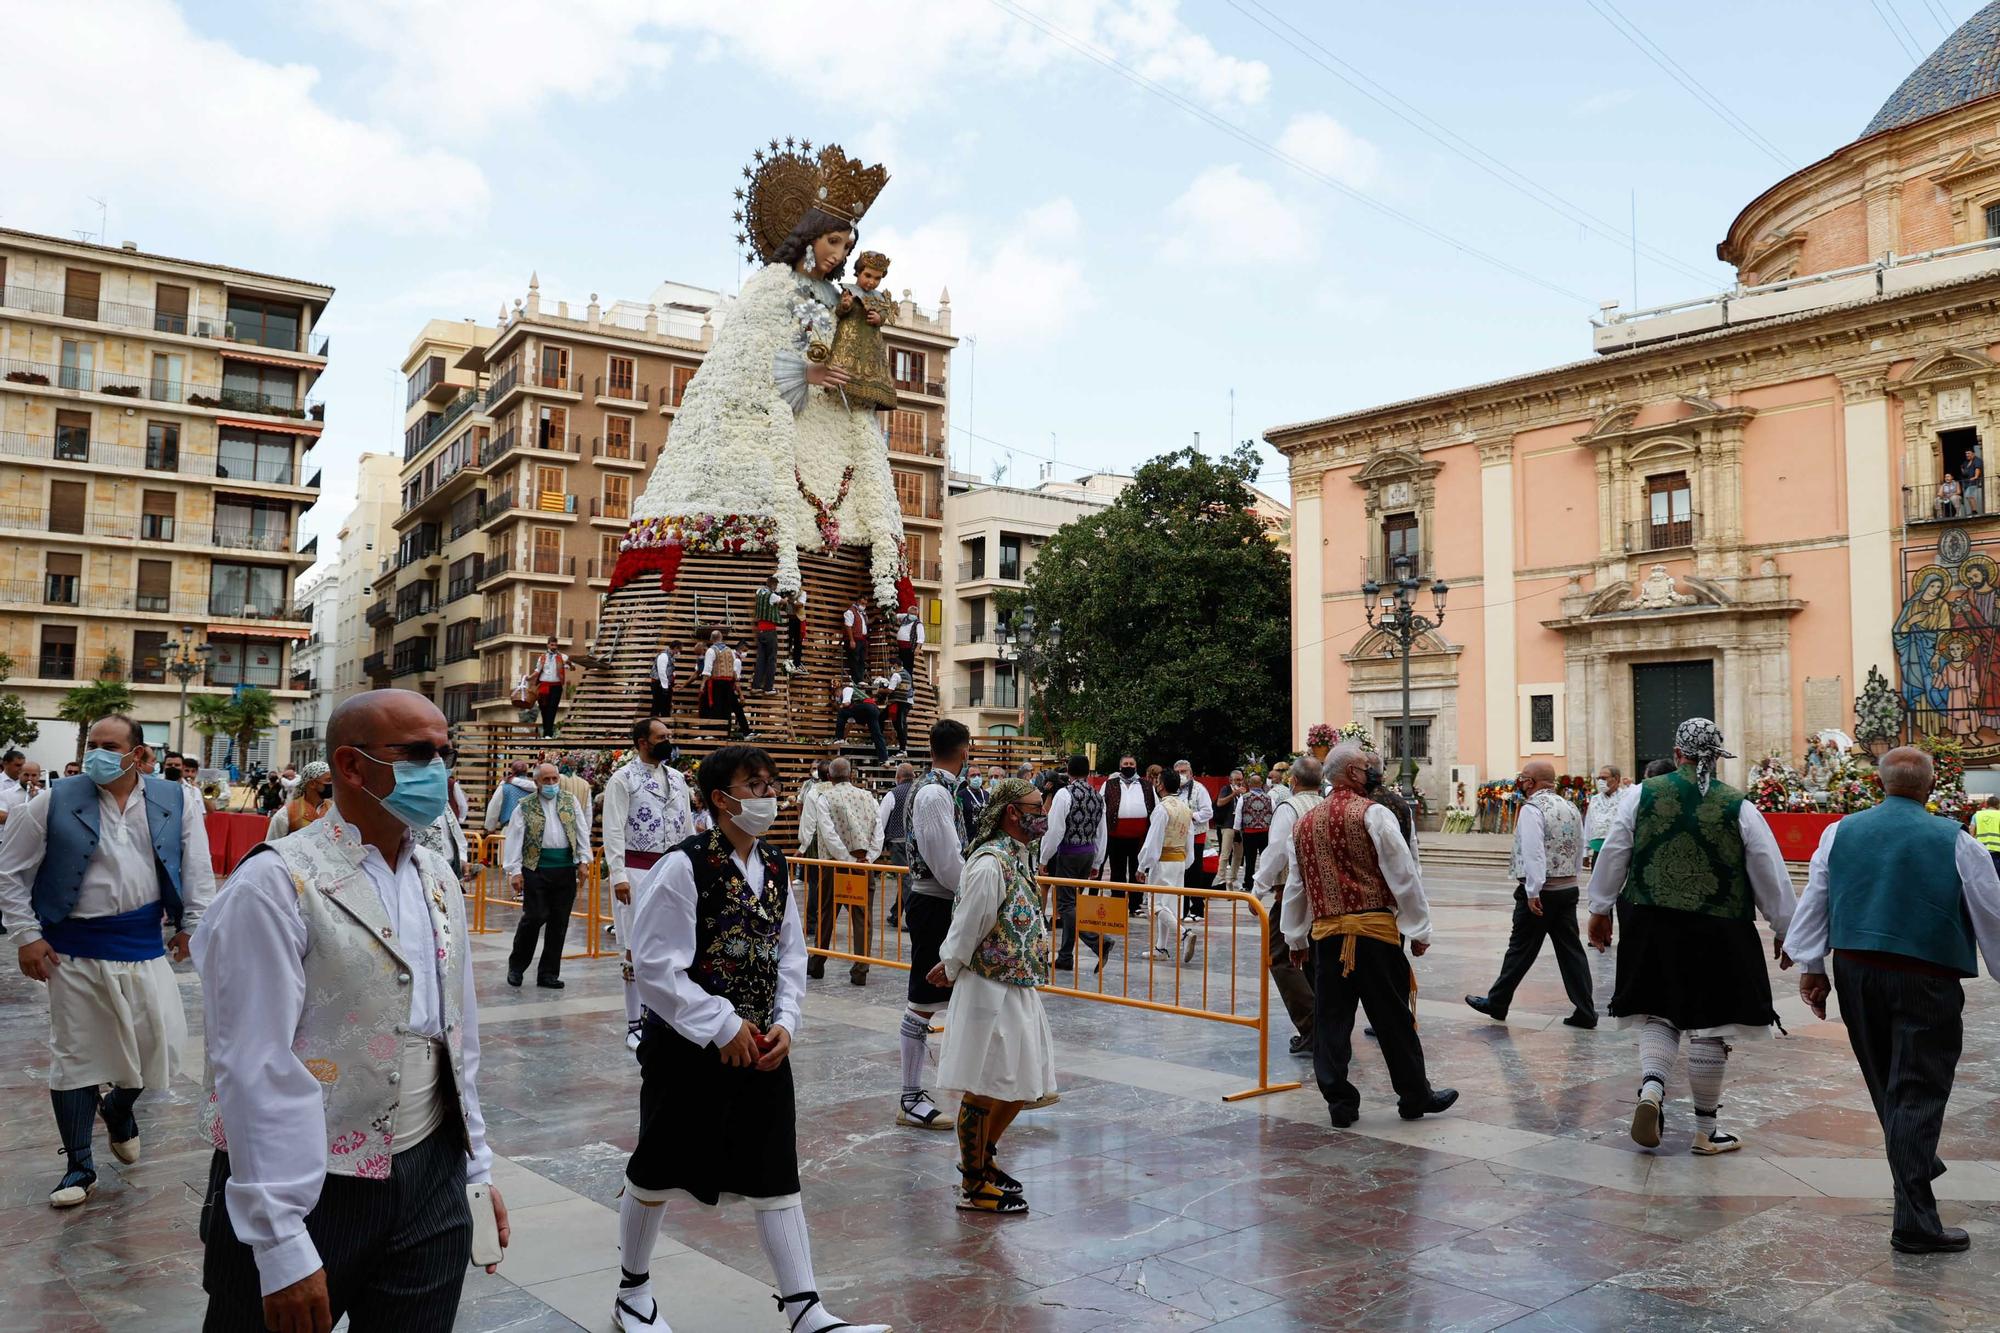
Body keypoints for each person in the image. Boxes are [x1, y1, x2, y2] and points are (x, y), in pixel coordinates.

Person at [193, 689, 507, 1331]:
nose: (439, 769)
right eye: (417, 753)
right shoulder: (276, 883)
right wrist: (278, 1237)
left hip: (430, 1169)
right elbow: (252, 1067)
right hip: (311, 1177)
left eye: (446, 752)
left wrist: (475, 1164)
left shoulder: (436, 876)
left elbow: (456, 1030)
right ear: (352, 766)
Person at [611, 744, 889, 1333]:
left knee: (775, 1173)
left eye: (770, 784)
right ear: (721, 799)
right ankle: (632, 1293)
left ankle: (804, 1308)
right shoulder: (684, 866)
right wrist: (721, 1025)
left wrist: (786, 1021)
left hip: (761, 1051)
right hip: (686, 1051)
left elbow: (791, 951)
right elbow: (656, 964)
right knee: (657, 1168)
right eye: (753, 785)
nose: (767, 796)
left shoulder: (777, 867)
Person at [1790, 746, 2000, 1255]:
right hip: (1924, 976)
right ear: (1929, 788)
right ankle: (1915, 1221)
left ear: (1879, 784)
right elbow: (1990, 911)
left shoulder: (1840, 832)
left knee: (1888, 1083)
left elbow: (1816, 897)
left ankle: (1916, 1160)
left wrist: (1813, 968)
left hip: (1857, 973)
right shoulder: (1956, 840)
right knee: (1916, 1091)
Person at [0, 713, 215, 1208]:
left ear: (138, 754)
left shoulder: (176, 799)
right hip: (71, 948)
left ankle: (119, 1107)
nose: (98, 751)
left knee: (156, 1045)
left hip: (142, 943)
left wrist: (191, 925)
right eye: (92, 743)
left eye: (109, 744)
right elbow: (10, 871)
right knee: (76, 1054)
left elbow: (197, 866)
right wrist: (26, 937)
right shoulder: (52, 800)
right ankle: (79, 1165)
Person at [1586, 718, 1795, 1156]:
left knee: (1659, 1014)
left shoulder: (1640, 795)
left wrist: (1600, 909)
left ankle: (1652, 1089)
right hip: (1718, 927)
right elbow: (1767, 870)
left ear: (1677, 754)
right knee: (1711, 1025)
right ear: (1717, 759)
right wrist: (1784, 927)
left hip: (1650, 922)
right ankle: (1706, 1130)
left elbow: (1615, 852)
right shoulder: (1738, 805)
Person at [1284, 744, 1454, 1127]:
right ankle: (1414, 1096)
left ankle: (1340, 1103)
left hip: (1326, 937)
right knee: (1393, 1017)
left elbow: (1298, 885)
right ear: (1354, 774)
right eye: (1365, 767)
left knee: (1331, 1021)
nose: (1371, 772)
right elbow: (1402, 873)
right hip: (1374, 935)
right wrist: (1418, 927)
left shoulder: (1305, 822)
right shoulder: (1373, 813)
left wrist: (1295, 938)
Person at [928, 778, 1057, 1215]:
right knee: (984, 1086)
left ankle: (986, 1158)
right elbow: (969, 924)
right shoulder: (989, 864)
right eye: (1036, 807)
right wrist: (950, 965)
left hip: (1017, 984)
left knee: (1021, 1083)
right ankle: (973, 1181)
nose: (1043, 813)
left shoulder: (1018, 857)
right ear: (1010, 812)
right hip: (987, 988)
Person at [1465, 759, 1598, 1028]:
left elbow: (1533, 850)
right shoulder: (1569, 806)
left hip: (1543, 891)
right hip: (1567, 888)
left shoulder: (1532, 808)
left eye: (1523, 778)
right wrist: (1574, 877)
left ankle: (1497, 1002)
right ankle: (1585, 1010)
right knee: (1571, 951)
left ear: (1531, 782)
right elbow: (1579, 843)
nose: (1520, 782)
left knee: (1520, 948)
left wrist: (1533, 889)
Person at [898, 719, 973, 1131]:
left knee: (967, 993)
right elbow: (946, 862)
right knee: (924, 998)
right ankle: (910, 1097)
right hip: (936, 901)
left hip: (943, 899)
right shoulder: (932, 794)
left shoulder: (945, 790)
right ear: (964, 751)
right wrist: (975, 892)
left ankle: (979, 1086)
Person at [604, 719, 694, 1051]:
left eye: (669, 736)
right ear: (643, 742)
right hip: (636, 868)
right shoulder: (623, 779)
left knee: (671, 942)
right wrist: (618, 875)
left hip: (671, 868)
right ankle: (634, 1021)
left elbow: (687, 826)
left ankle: (662, 1013)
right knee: (633, 947)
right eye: (662, 737)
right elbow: (613, 829)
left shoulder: (678, 778)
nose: (668, 741)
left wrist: (691, 866)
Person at [1254, 759, 1325, 1057]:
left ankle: (1313, 1025)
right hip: (1324, 897)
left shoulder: (1289, 808)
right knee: (1313, 961)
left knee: (1281, 958)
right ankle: (1324, 1024)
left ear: (1293, 780)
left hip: (1293, 896)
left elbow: (1276, 853)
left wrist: (1258, 888)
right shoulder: (1327, 805)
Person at [502, 761, 591, 989]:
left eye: (555, 779)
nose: (551, 784)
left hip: (564, 869)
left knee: (559, 922)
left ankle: (548, 973)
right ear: (536, 782)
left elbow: (581, 830)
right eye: (546, 780)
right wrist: (514, 870)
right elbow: (514, 839)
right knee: (534, 917)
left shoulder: (570, 802)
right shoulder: (524, 806)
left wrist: (583, 861)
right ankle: (517, 966)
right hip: (536, 869)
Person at [802, 758, 881, 985]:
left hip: (833, 865)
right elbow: (879, 829)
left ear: (829, 777)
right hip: (863, 863)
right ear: (851, 775)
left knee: (826, 913)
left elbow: (828, 833)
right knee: (862, 917)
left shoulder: (825, 797)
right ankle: (860, 970)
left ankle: (817, 963)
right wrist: (869, 858)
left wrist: (845, 858)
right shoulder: (868, 797)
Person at [1042, 754, 1113, 973]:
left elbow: (1055, 829)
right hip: (1088, 853)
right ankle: (1065, 956)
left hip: (1069, 853)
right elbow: (1102, 831)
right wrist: (1098, 860)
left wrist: (1044, 857)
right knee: (1073, 903)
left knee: (1066, 905)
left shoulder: (1065, 794)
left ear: (1068, 772)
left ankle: (1097, 941)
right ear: (1088, 772)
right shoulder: (1097, 795)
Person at [1137, 768, 1197, 963]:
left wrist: (1142, 865)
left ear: (1160, 785)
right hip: (1179, 860)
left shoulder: (1162, 808)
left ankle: (1184, 933)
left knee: (1156, 904)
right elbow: (1190, 836)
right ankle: (1160, 948)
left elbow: (1153, 840)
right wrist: (1187, 861)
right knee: (1167, 905)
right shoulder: (1184, 807)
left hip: (1163, 861)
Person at [1102, 757, 1154, 912]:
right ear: (1120, 766)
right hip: (1115, 835)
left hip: (1139, 837)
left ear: (1136, 766)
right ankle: (1117, 903)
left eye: (1131, 764)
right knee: (1116, 870)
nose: (1129, 766)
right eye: (1126, 764)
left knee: (1136, 871)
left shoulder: (1146, 785)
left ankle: (1135, 905)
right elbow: (1102, 806)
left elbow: (1155, 807)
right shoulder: (1109, 784)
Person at [874, 761, 917, 928]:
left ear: (898, 777)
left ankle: (911, 918)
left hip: (898, 842)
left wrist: (877, 845)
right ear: (913, 776)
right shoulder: (919, 791)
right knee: (907, 878)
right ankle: (895, 914)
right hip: (916, 842)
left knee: (906, 879)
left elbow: (881, 821)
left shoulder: (892, 794)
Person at [1173, 760, 1215, 920]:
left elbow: (1208, 811)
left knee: (1195, 872)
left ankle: (1197, 909)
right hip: (1178, 837)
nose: (1181, 775)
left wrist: (1191, 816)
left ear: (1191, 773)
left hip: (1196, 836)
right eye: (1178, 772)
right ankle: (1182, 910)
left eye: (1184, 771)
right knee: (1181, 873)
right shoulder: (1173, 789)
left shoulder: (1199, 789)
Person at [700, 628, 754, 739]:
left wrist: (703, 683)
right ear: (721, 638)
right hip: (729, 682)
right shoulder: (730, 651)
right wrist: (735, 683)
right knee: (729, 708)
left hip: (716, 682)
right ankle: (734, 732)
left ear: (711, 639)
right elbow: (734, 670)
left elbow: (707, 669)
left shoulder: (711, 650)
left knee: (716, 707)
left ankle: (714, 733)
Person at [266, 761, 332, 839]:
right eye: (328, 780)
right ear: (312, 784)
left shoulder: (334, 809)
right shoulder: (286, 814)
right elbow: (272, 845)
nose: (332, 784)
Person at [834, 678, 888, 764]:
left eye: (836, 693)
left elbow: (846, 704)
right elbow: (850, 723)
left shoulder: (847, 689)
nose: (837, 696)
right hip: (873, 710)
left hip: (865, 708)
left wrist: (839, 706)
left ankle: (838, 737)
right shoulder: (852, 706)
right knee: (877, 734)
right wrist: (844, 738)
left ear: (839, 690)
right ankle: (884, 759)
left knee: (841, 711)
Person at [1235, 771, 1274, 891]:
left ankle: (1248, 884)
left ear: (1249, 784)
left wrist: (1236, 831)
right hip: (1265, 832)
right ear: (1261, 784)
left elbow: (1238, 816)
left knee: (1250, 859)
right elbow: (1274, 813)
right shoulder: (1269, 798)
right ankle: (1266, 884)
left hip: (1249, 832)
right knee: (1265, 859)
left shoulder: (1244, 798)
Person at [1584, 764, 1624, 867]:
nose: (1600, 781)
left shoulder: (1627, 797)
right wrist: (1585, 851)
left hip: (1619, 849)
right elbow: (1589, 824)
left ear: (1616, 779)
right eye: (1599, 778)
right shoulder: (1595, 799)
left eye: (1604, 778)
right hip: (1597, 848)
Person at [531, 636, 570, 739]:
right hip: (544, 685)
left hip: (556, 686)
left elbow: (571, 667)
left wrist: (569, 664)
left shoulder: (562, 657)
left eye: (556, 645)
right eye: (552, 644)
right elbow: (537, 670)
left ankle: (548, 733)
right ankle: (546, 733)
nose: (554, 646)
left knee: (552, 709)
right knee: (544, 709)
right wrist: (529, 678)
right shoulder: (542, 657)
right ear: (548, 645)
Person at [483, 760, 535, 832]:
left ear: (512, 771)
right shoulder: (535, 788)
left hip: (509, 828)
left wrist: (490, 827)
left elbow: (494, 807)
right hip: (531, 830)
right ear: (526, 772)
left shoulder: (505, 787)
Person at [753, 572, 782, 694]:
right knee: (771, 659)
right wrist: (785, 598)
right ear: (774, 585)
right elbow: (783, 602)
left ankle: (756, 686)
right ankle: (768, 688)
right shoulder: (773, 595)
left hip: (760, 630)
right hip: (770, 630)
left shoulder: (759, 591)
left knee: (761, 659)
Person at [1213, 772, 1242, 890]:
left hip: (1240, 826)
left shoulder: (1243, 792)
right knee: (1225, 853)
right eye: (1236, 779)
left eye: (1240, 779)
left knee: (1239, 854)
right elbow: (1219, 802)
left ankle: (1233, 878)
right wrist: (1233, 794)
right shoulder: (1226, 789)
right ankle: (1221, 878)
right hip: (1228, 825)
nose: (1239, 782)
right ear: (1230, 780)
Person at [842, 596, 869, 682]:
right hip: (855, 639)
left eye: (865, 604)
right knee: (854, 659)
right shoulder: (850, 612)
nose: (863, 605)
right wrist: (851, 640)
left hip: (862, 639)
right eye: (862, 603)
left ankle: (860, 679)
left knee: (861, 660)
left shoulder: (862, 613)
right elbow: (848, 626)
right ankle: (856, 680)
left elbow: (864, 624)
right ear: (857, 602)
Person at [783, 587, 807, 675]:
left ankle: (796, 664)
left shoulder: (802, 593)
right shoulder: (787, 591)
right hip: (788, 619)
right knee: (788, 642)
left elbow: (800, 604)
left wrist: (791, 600)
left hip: (798, 619)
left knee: (798, 643)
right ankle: (786, 663)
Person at [651, 640, 677, 718]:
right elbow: (661, 672)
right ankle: (654, 726)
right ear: (675, 648)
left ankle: (664, 725)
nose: (678, 653)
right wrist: (665, 687)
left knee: (665, 707)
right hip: (659, 684)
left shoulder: (669, 656)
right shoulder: (664, 655)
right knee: (657, 706)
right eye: (678, 650)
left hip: (663, 684)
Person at [1974, 795, 2000, 874]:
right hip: (1997, 850)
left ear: (1987, 804)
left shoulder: (1977, 815)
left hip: (1980, 849)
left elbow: (1971, 831)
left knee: (1983, 875)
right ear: (1998, 805)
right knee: (1996, 874)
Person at [895, 608, 924, 675]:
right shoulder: (905, 618)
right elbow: (897, 616)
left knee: (907, 666)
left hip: (908, 647)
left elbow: (921, 637)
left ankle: (908, 682)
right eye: (911, 614)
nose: (912, 615)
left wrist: (917, 648)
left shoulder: (918, 623)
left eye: (914, 614)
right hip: (900, 646)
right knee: (899, 665)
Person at [1965, 450, 1985, 516]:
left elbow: (1977, 469)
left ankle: (1974, 510)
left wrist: (1975, 476)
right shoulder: (1969, 462)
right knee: (1969, 495)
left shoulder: (1977, 460)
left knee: (1969, 495)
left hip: (1975, 481)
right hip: (1970, 482)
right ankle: (1973, 510)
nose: (1967, 455)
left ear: (1973, 453)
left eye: (1968, 453)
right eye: (1966, 453)